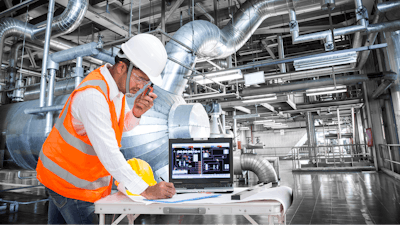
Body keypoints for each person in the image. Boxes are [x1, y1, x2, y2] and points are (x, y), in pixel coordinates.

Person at [36, 33, 176, 225]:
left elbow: (120, 126)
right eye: (140, 79)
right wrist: (146, 189)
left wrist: (135, 112)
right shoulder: (94, 96)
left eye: (146, 82)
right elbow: (109, 152)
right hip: (71, 184)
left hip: (63, 177)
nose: (141, 86)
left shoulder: (115, 91)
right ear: (121, 67)